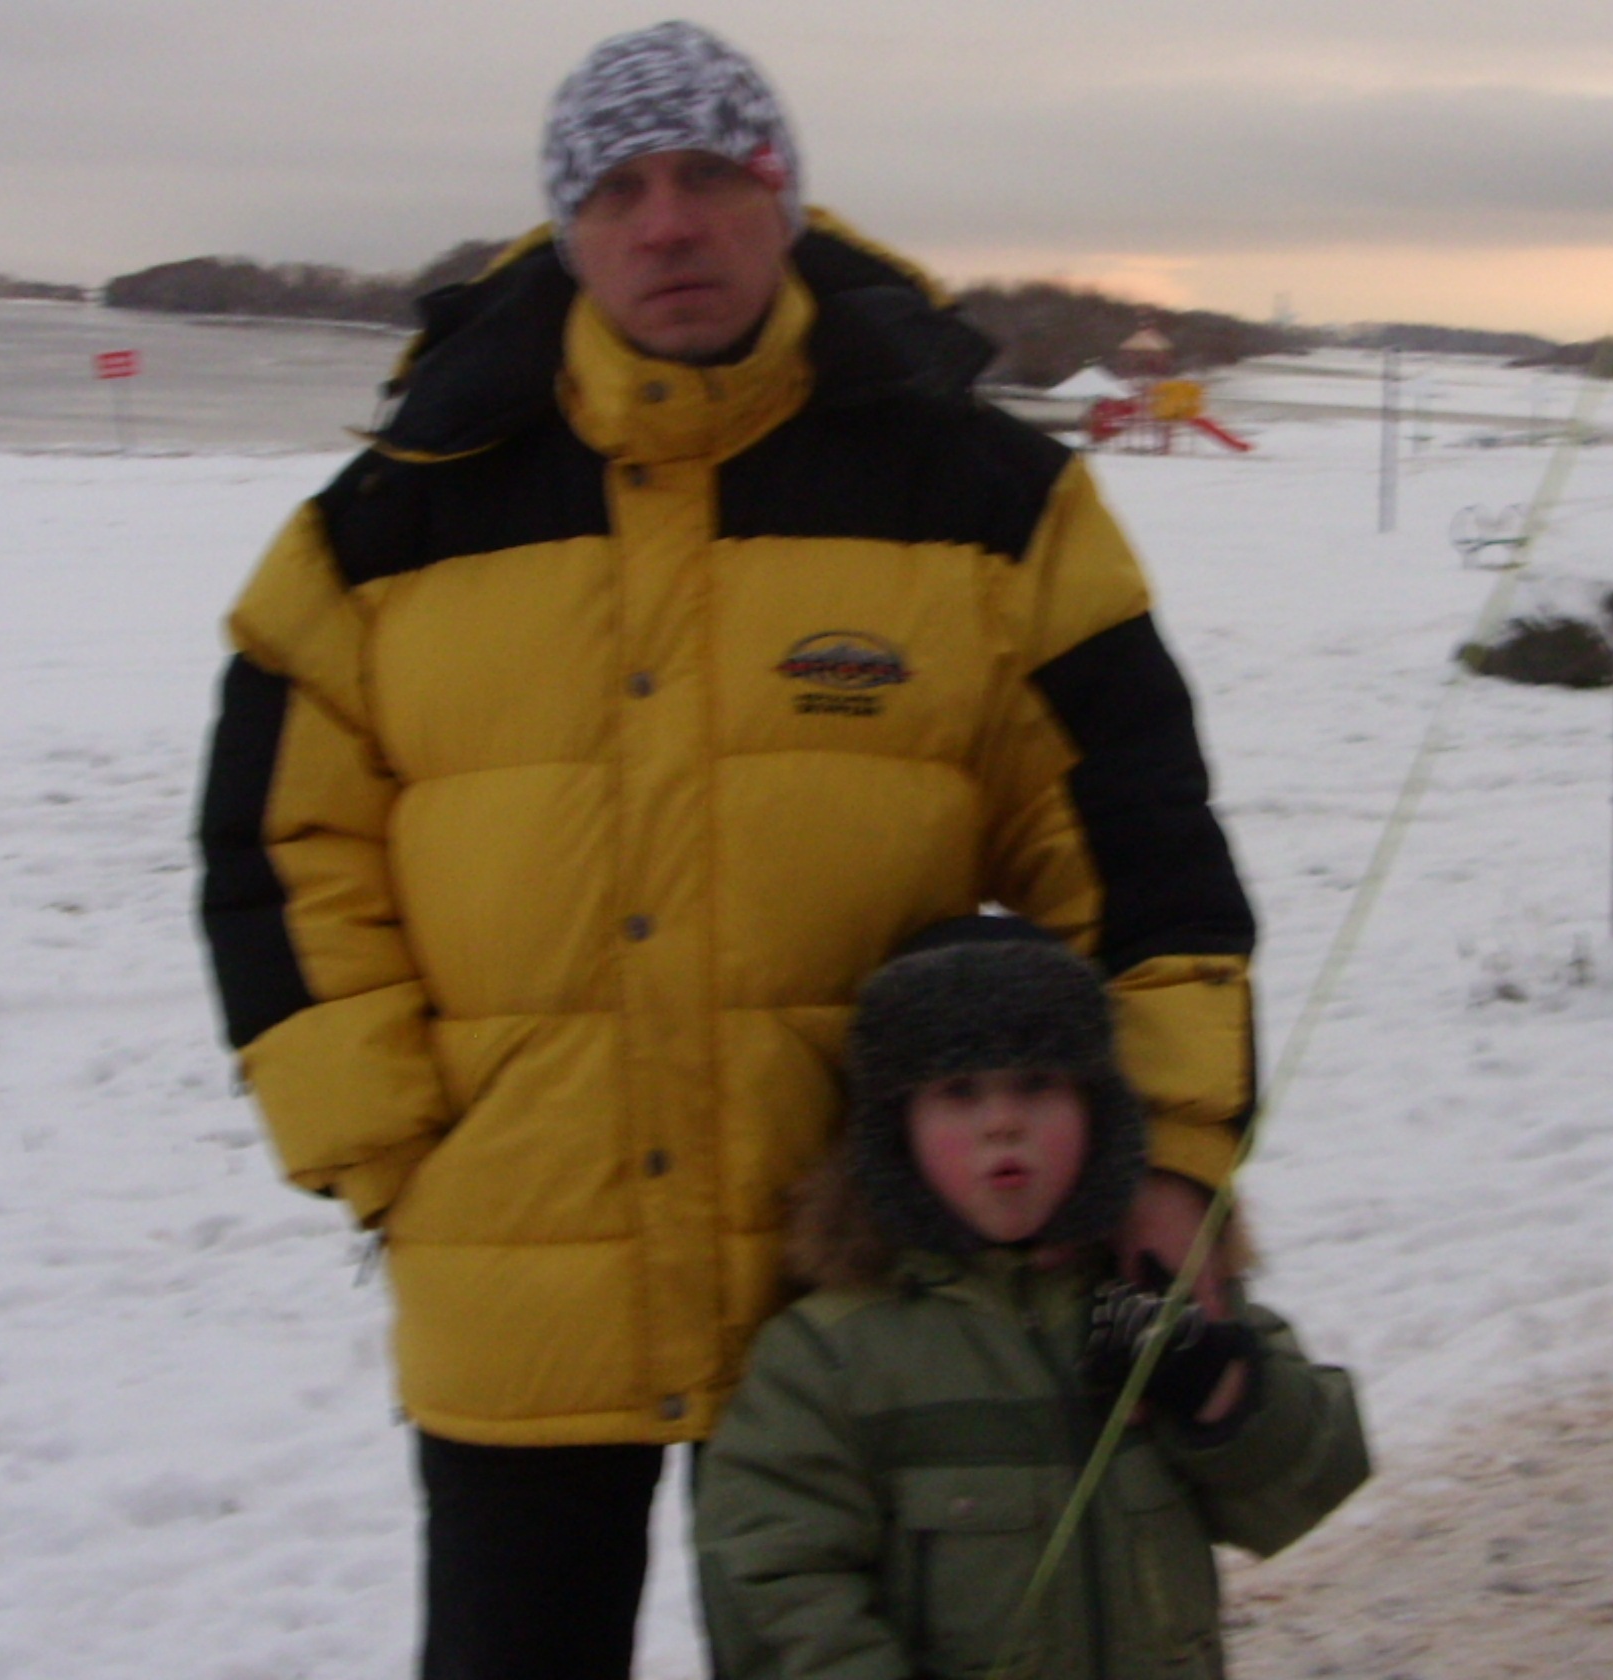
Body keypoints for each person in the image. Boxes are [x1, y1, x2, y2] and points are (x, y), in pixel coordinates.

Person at [194, 19, 1256, 1680]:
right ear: (566, 227)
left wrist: (1165, 1157)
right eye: (618, 190)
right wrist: (400, 1153)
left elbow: (1136, 850)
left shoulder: (987, 499)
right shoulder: (390, 520)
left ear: (786, 201)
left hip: (870, 1281)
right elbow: (276, 853)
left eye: (710, 175)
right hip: (519, 1275)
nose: (669, 222)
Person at [696, 916, 1368, 1680]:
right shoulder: (832, 1356)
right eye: (959, 1091)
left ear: (1098, 1107)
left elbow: (1315, 1475)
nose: (1003, 1122)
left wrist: (1223, 1396)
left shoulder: (1148, 1292)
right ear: (895, 1128)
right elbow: (774, 1582)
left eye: (1038, 1083)